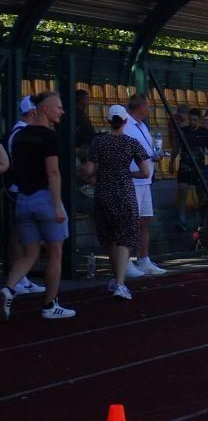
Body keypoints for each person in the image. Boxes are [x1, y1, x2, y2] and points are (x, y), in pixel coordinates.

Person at [1, 91, 76, 320]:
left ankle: (8, 288)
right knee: (55, 253)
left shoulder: (19, 136)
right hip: (45, 199)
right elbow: (53, 173)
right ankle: (50, 304)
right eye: (58, 107)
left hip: (23, 199)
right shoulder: (49, 137)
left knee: (30, 253)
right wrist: (57, 206)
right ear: (45, 109)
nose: (62, 111)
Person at [81, 105, 151, 301]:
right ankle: (120, 283)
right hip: (125, 193)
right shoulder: (131, 142)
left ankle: (116, 278)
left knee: (110, 238)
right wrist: (127, 173)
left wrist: (101, 175)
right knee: (124, 238)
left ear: (108, 121)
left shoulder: (98, 141)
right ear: (125, 121)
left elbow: (88, 172)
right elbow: (146, 172)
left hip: (103, 193)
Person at [4, 96, 48, 298]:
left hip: (22, 188)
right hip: (17, 189)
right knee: (17, 236)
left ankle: (22, 278)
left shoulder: (23, 132)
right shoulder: (19, 133)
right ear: (32, 112)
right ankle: (17, 280)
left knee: (22, 236)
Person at [125, 93, 167, 276]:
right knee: (131, 222)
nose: (149, 108)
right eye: (147, 105)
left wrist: (154, 156)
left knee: (145, 220)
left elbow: (145, 151)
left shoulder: (142, 125)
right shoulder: (126, 125)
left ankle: (144, 259)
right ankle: (126, 262)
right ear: (140, 106)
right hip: (133, 181)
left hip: (145, 180)